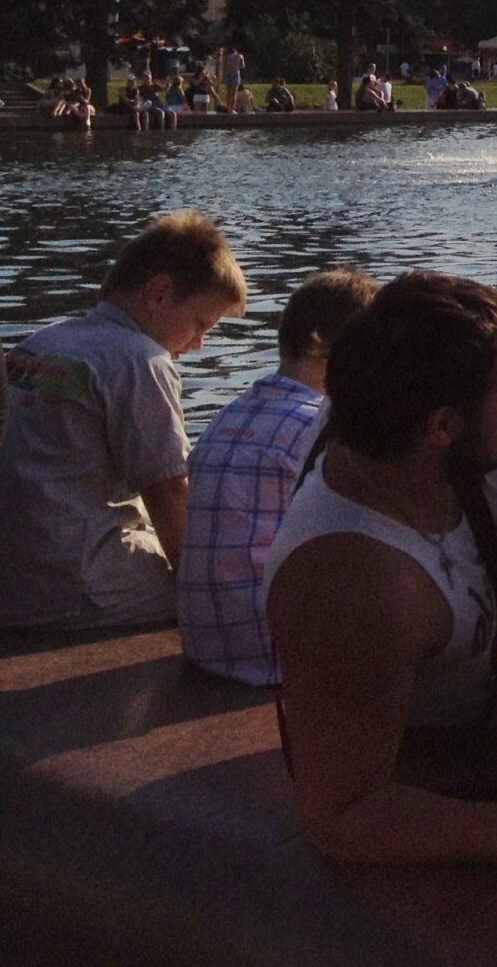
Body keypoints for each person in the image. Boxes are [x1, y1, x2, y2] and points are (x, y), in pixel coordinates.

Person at [262, 272, 497, 887]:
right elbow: (339, 814)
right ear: (441, 427)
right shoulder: (349, 584)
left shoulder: (442, 424)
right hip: (430, 753)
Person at [0, 212, 249, 629]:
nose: (199, 343)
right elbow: (169, 489)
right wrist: (202, 595)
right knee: (245, 590)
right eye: (200, 324)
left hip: (14, 581)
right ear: (159, 293)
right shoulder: (140, 360)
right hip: (83, 586)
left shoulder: (41, 342)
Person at [178, 269, 379, 683]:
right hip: (275, 655)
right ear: (321, 345)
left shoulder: (230, 414)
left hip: (207, 643)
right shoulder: (323, 426)